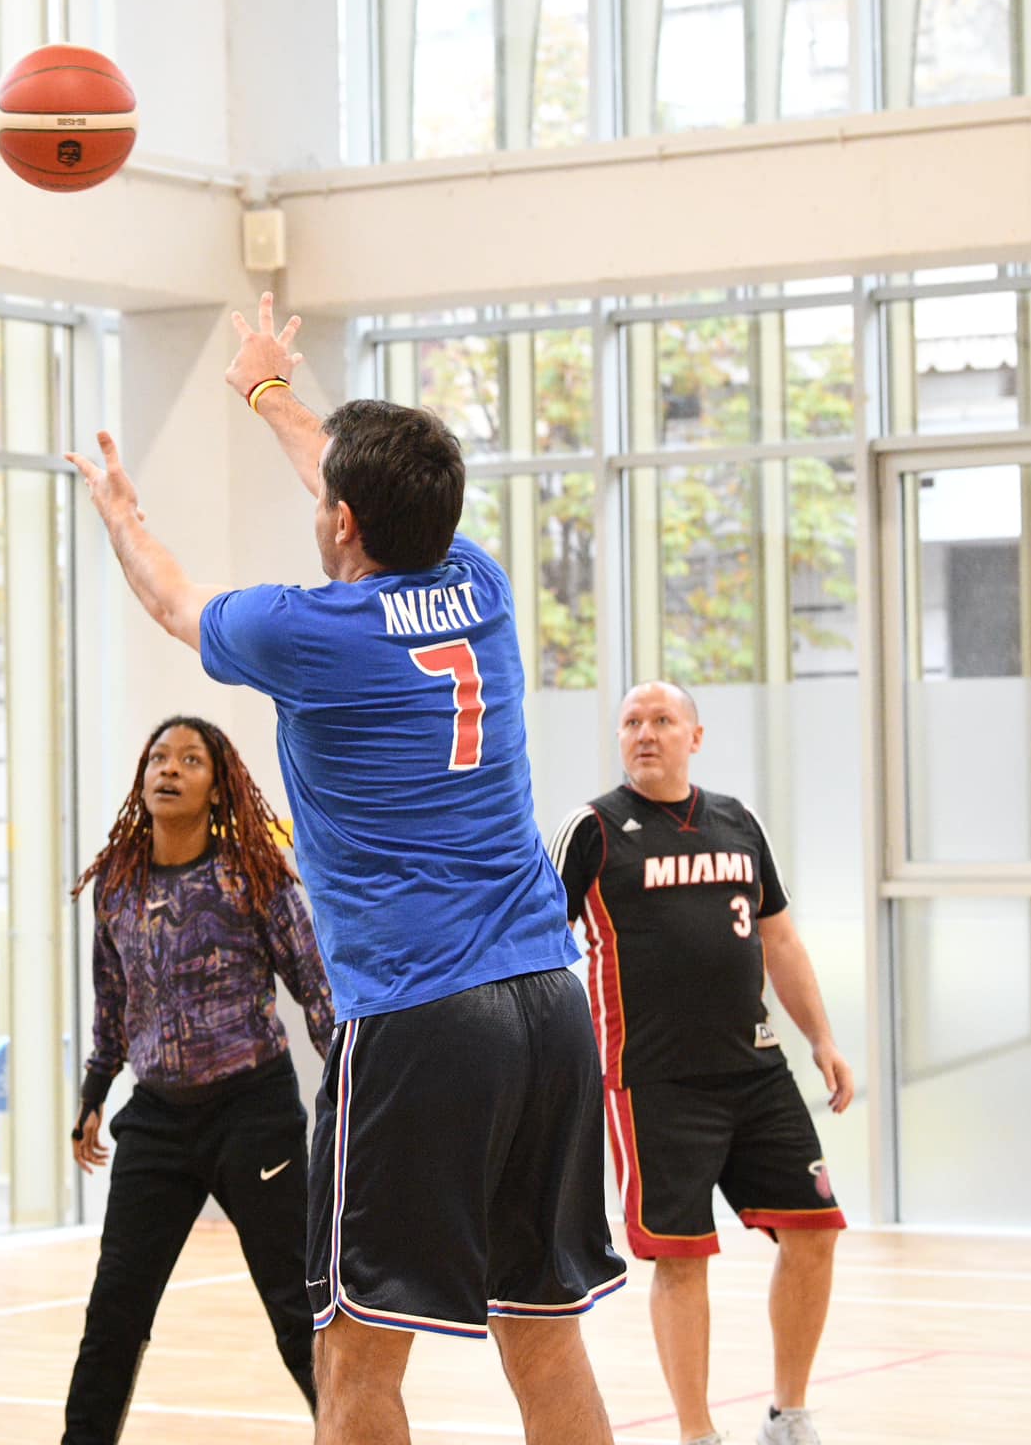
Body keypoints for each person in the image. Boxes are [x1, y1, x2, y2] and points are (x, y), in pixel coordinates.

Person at [65, 294, 626, 1445]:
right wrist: (268, 391)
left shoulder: (307, 633)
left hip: (423, 1020)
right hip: (547, 1005)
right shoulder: (478, 584)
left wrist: (120, 515)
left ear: (339, 521)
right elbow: (355, 483)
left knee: (353, 1354)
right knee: (539, 1330)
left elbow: (172, 602)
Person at [549, 680, 854, 1445]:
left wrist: (821, 1038)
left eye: (661, 720)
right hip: (655, 1082)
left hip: (755, 1069)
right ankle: (696, 1433)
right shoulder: (591, 830)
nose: (644, 733)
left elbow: (779, 939)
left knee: (815, 1230)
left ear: (696, 736)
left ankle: (788, 1415)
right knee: (683, 1258)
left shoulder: (738, 822)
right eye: (631, 722)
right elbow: (533, 942)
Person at [63, 715, 335, 1444]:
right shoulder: (117, 884)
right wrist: (94, 1092)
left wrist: (352, 1090)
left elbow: (316, 986)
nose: (170, 769)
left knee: (295, 1308)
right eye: (159, 757)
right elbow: (113, 1001)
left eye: (190, 760)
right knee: (114, 1312)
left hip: (254, 1112)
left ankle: (352, 1432)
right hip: (156, 1120)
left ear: (218, 788)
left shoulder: (253, 872)